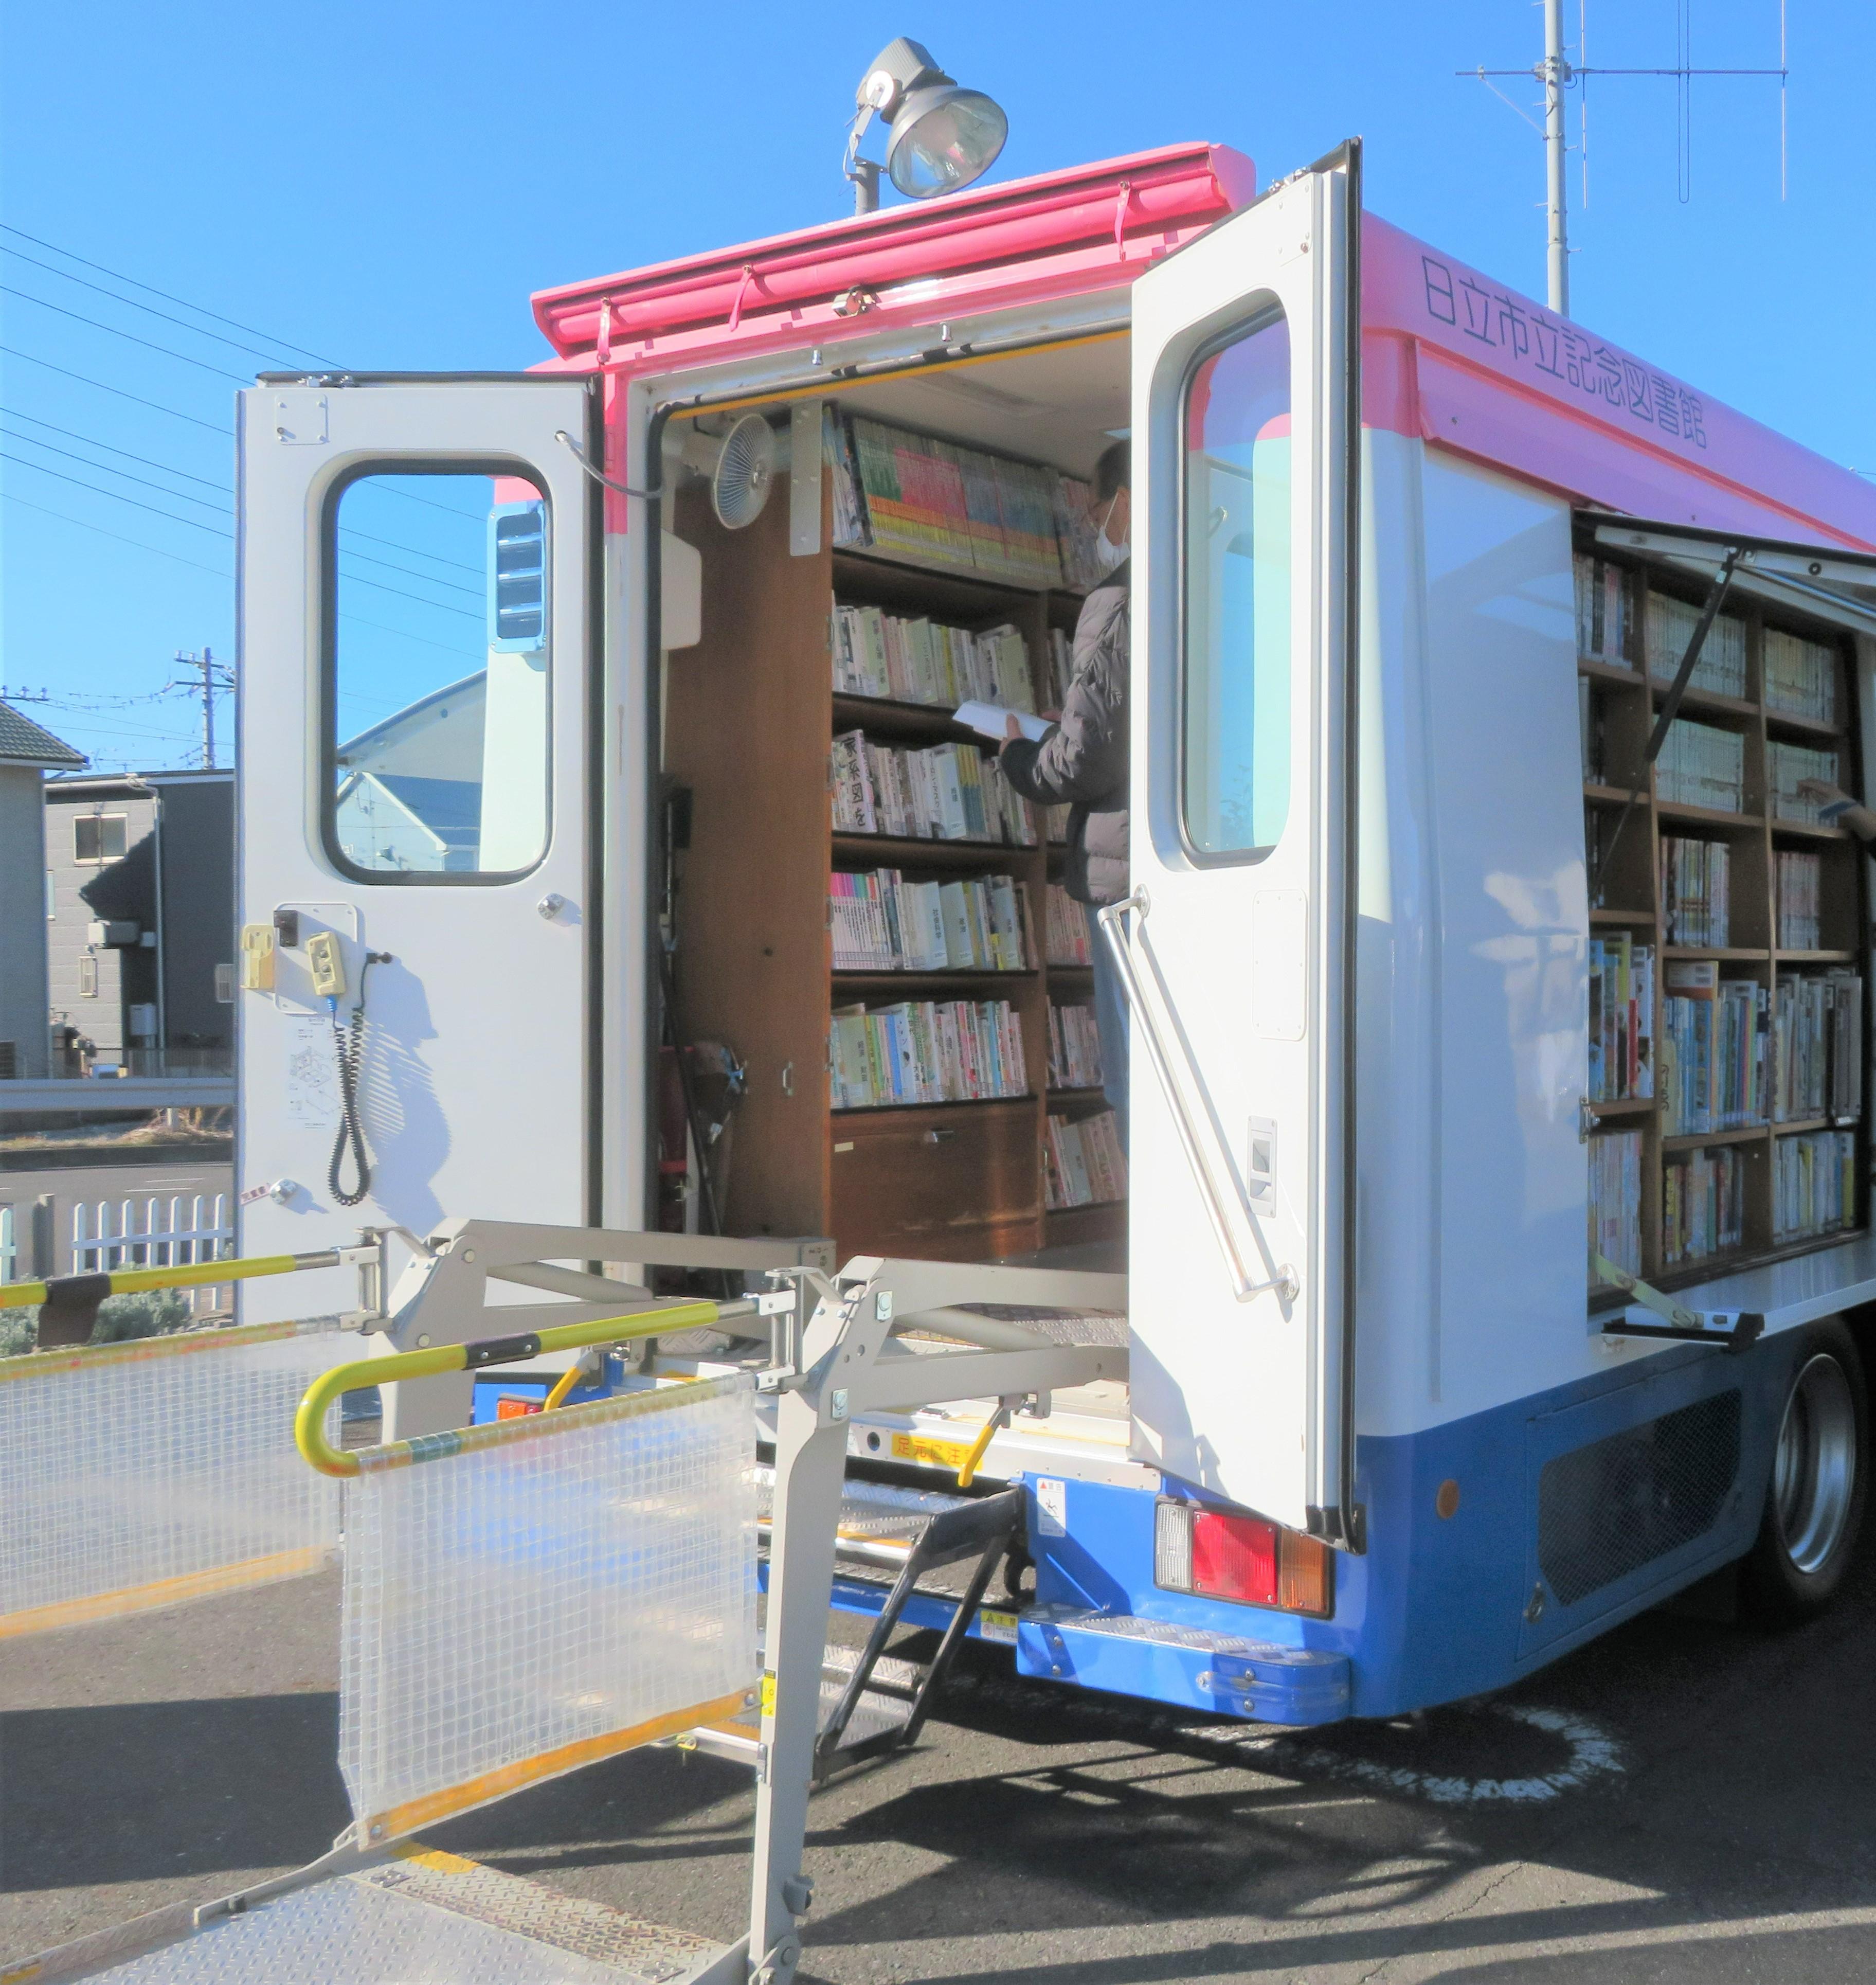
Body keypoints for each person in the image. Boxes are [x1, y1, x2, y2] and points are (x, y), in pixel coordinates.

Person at [1000, 440, 1132, 1141]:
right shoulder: (1210, 588)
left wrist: (1021, 755)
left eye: (1097, 510)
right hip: (1172, 860)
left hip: (1125, 884)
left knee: (1136, 1076)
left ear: (1129, 501)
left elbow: (1084, 767)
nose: (1093, 525)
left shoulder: (1117, 602)